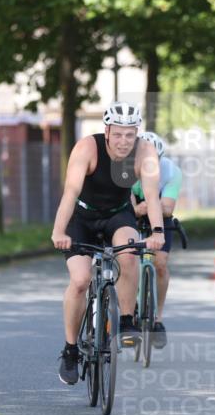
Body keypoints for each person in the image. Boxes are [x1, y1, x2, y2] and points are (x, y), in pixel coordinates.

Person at [51, 102, 165, 385]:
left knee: (129, 253)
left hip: (117, 214)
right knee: (80, 280)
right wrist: (58, 231)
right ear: (107, 132)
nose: (124, 141)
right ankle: (70, 350)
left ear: (137, 133)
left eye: (130, 134)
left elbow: (151, 196)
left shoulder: (145, 152)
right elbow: (70, 192)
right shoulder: (87, 149)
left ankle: (126, 321)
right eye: (118, 134)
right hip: (82, 216)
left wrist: (158, 232)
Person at [132, 131, 183, 349]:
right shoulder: (124, 169)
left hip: (162, 220)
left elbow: (168, 207)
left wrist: (147, 206)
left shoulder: (172, 171)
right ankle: (130, 307)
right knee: (128, 262)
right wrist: (135, 209)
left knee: (160, 264)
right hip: (132, 218)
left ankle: (158, 320)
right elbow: (123, 203)